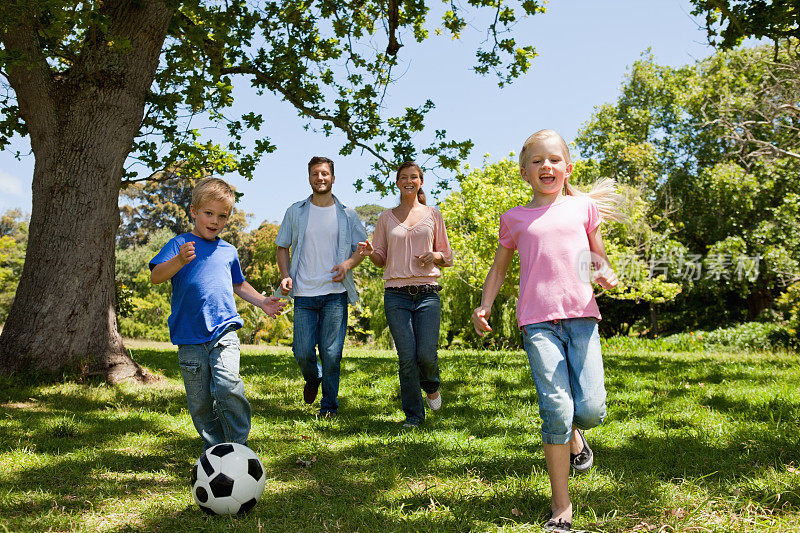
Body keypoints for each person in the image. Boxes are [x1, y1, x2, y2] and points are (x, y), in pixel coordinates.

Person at [470, 130, 623, 533]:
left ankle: (577, 433)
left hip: (581, 318)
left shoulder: (583, 208)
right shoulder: (515, 219)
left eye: (554, 159)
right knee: (556, 409)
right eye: (537, 161)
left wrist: (603, 271)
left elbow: (597, 256)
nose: (546, 166)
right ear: (524, 172)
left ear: (567, 168)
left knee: (589, 408)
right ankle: (561, 506)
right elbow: (500, 267)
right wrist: (485, 304)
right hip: (537, 323)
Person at [150, 177, 286, 450]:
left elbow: (238, 283)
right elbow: (156, 276)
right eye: (208, 213)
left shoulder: (228, 251)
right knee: (199, 403)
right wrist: (178, 261)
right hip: (189, 337)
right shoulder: (180, 244)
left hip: (223, 330)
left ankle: (239, 445)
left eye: (222, 216)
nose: (214, 221)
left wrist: (262, 301)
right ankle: (215, 448)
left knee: (227, 386)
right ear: (193, 211)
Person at [358, 161, 453, 428]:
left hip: (427, 294)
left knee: (426, 355)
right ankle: (413, 415)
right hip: (396, 295)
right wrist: (369, 253)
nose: (409, 181)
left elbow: (447, 256)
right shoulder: (386, 218)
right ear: (397, 182)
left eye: (414, 177)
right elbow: (381, 259)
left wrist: (434, 255)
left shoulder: (433, 215)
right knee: (407, 356)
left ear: (420, 182)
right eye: (404, 177)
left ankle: (431, 384)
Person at [275, 156, 368, 417]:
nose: (320, 178)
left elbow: (363, 249)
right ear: (309, 178)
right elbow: (282, 246)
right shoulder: (296, 211)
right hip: (304, 293)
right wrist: (284, 275)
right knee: (302, 350)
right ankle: (313, 377)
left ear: (333, 178)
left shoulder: (347, 214)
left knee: (332, 353)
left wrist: (348, 264)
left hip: (335, 294)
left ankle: (329, 407)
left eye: (325, 173)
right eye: (315, 174)